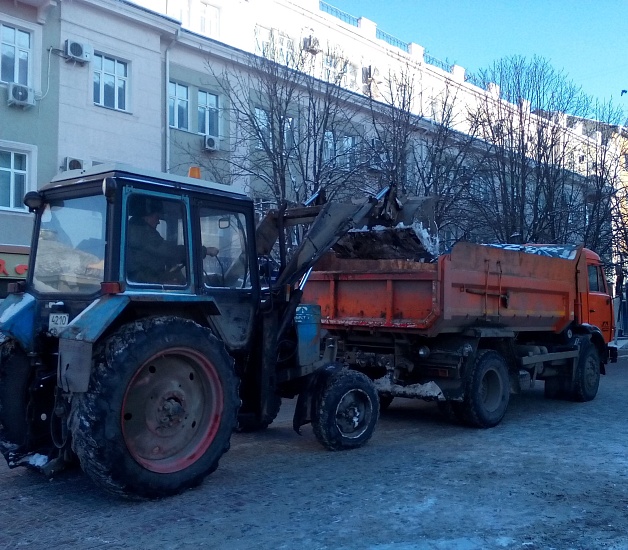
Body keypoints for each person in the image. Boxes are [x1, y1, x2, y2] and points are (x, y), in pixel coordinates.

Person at [126, 197, 217, 283]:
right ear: (147, 217)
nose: (158, 221)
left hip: (142, 276)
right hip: (142, 279)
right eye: (157, 217)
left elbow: (159, 254)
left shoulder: (135, 230)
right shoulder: (142, 233)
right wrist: (205, 250)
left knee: (176, 277)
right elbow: (170, 251)